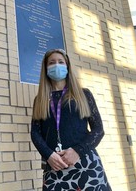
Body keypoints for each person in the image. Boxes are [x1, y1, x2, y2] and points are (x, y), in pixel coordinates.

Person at [31, 49, 111, 190]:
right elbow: (35, 133)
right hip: (55, 166)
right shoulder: (40, 100)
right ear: (45, 68)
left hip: (85, 163)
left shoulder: (83, 94)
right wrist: (48, 155)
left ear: (67, 66)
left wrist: (77, 151)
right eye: (52, 62)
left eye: (61, 62)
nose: (57, 65)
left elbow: (98, 129)